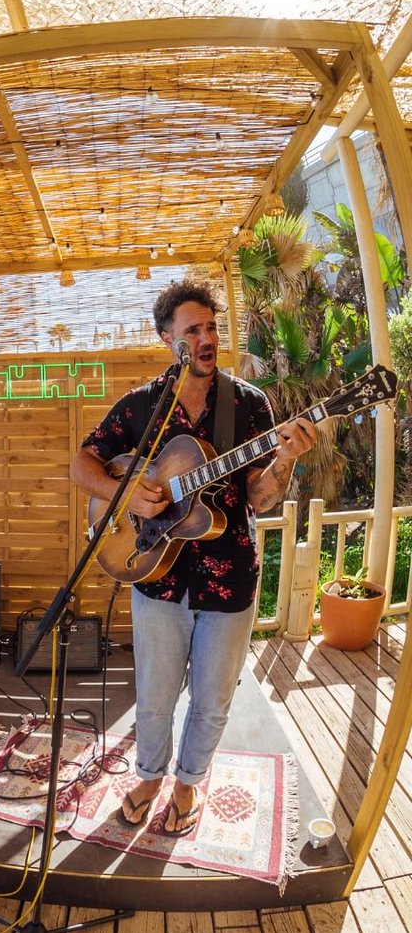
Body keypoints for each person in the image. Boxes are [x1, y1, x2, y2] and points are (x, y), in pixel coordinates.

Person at [70, 280, 316, 835]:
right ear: (167, 340)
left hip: (229, 577)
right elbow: (83, 464)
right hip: (153, 573)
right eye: (193, 331)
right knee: (154, 696)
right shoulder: (139, 407)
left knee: (211, 699)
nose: (207, 339)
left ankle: (187, 784)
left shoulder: (249, 405)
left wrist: (285, 461)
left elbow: (257, 497)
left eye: (212, 328)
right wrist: (128, 493)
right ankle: (150, 776)